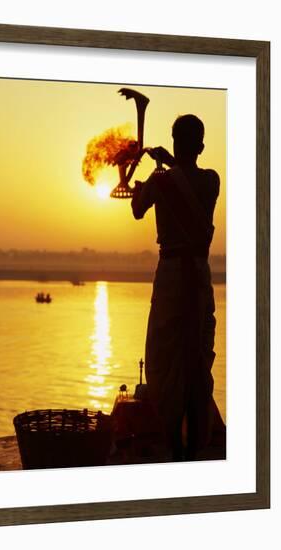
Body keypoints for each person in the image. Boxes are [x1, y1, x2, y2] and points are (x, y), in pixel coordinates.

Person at [130, 114, 220, 461]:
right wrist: (166, 165)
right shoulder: (211, 181)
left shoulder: (161, 181)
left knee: (166, 360)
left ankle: (173, 441)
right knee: (196, 357)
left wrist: (146, 184)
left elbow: (137, 209)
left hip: (170, 279)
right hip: (198, 276)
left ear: (174, 142)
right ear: (200, 146)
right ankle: (196, 442)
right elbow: (186, 181)